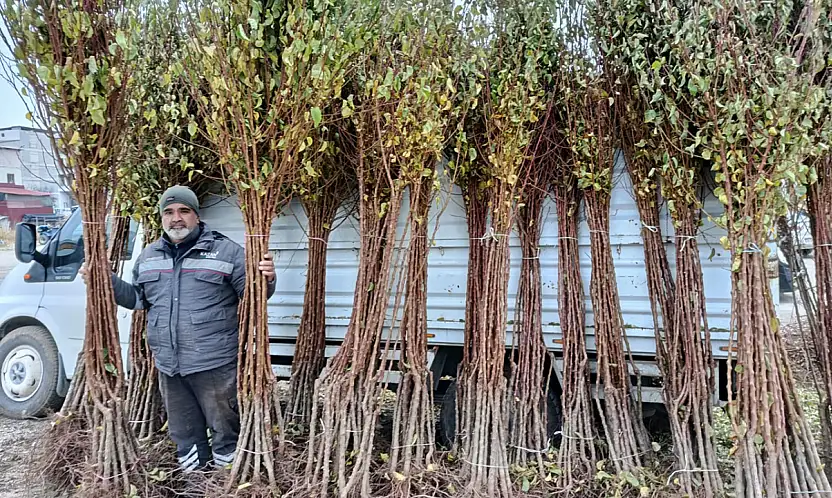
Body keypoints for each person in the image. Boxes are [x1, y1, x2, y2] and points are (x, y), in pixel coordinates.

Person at [80, 185, 276, 473]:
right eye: (169, 212)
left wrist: (268, 279)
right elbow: (137, 299)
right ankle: (195, 483)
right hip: (170, 365)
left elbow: (253, 295)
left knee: (224, 430)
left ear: (196, 216)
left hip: (214, 363)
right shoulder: (149, 256)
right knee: (185, 433)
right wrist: (104, 279)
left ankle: (225, 483)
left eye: (184, 211)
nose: (176, 218)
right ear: (161, 218)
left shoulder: (226, 252)